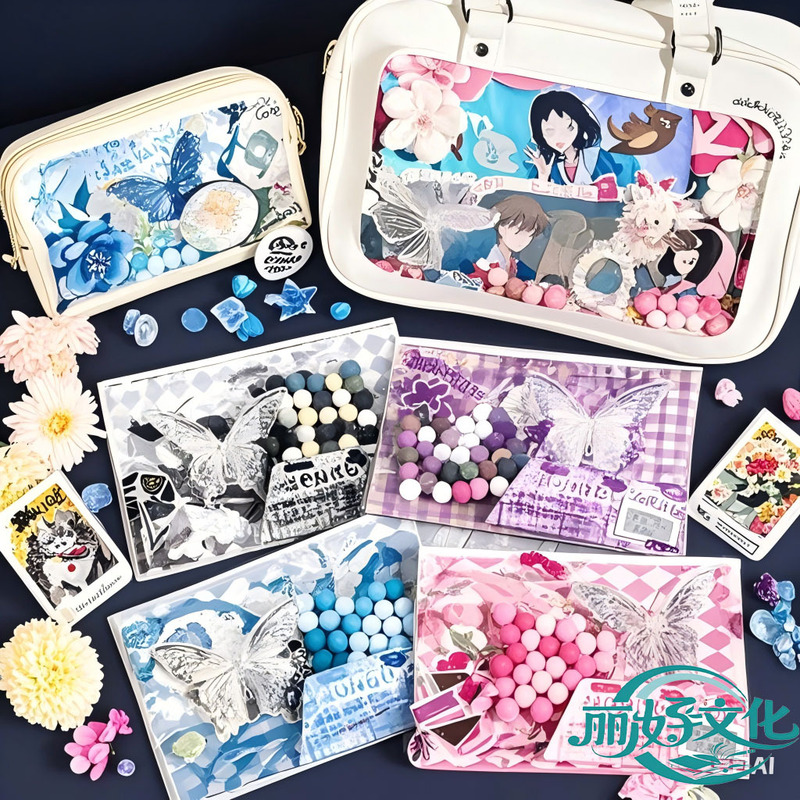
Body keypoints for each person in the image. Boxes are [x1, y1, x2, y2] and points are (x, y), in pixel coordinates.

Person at [525, 91, 637, 186]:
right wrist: (543, 175)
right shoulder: (547, 164)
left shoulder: (594, 157)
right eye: (549, 131)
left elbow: (611, 188)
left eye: (568, 127)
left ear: (579, 125)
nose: (559, 137)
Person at [470, 194, 549, 288]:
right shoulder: (485, 264)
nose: (525, 239)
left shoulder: (515, 265)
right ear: (502, 228)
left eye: (530, 235)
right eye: (520, 232)